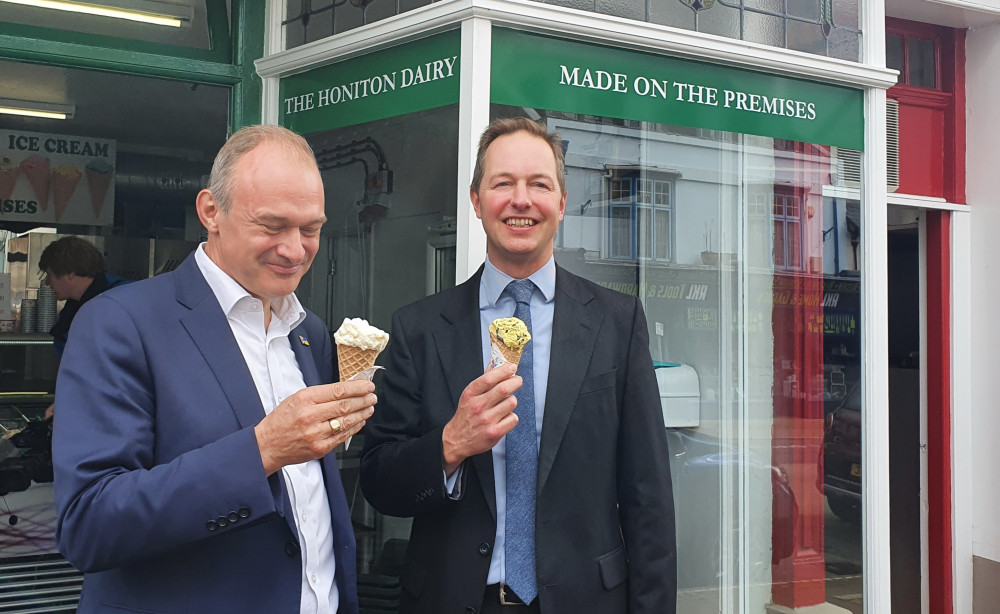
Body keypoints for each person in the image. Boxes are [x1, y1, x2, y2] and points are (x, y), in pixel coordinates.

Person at [53, 125, 375, 613]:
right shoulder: (120, 322)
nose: (295, 250)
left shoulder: (309, 331)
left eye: (310, 229)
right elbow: (89, 525)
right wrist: (262, 451)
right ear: (211, 212)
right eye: (272, 226)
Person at [360, 117, 676, 614]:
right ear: (476, 200)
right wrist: (449, 445)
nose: (521, 200)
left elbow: (648, 498)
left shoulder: (617, 324)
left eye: (539, 185)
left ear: (562, 203)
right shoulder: (419, 329)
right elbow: (378, 480)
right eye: (503, 183)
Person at [38, 236, 130, 418]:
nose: (47, 284)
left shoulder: (122, 301)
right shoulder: (74, 307)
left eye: (49, 275)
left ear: (70, 273)